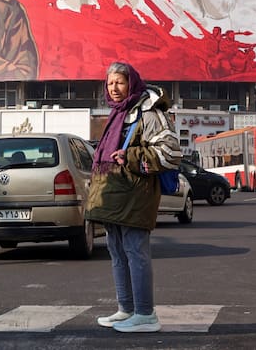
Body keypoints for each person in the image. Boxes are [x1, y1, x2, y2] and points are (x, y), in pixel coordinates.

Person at [85, 62, 181, 333]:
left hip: (136, 193)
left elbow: (171, 152)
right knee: (117, 252)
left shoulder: (149, 113)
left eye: (120, 82)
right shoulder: (118, 113)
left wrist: (131, 156)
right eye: (110, 83)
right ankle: (126, 309)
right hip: (114, 193)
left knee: (136, 253)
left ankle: (145, 314)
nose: (114, 88)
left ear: (132, 83)